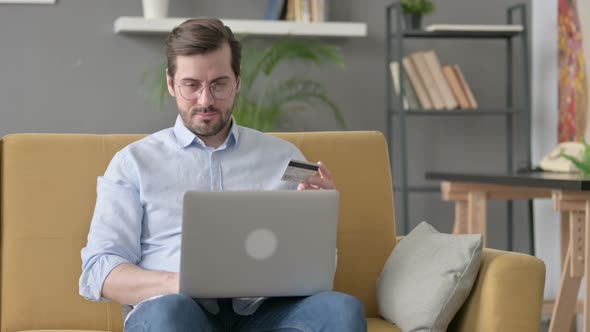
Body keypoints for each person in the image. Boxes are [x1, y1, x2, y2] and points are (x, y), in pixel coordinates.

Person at [79, 17, 366, 332]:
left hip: (267, 312)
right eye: (191, 85)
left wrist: (319, 225)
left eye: (219, 84)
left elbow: (316, 271)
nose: (205, 100)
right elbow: (100, 270)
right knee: (169, 314)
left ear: (237, 82)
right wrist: (176, 283)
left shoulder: (284, 159)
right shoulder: (133, 163)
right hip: (175, 309)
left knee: (341, 310)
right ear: (171, 84)